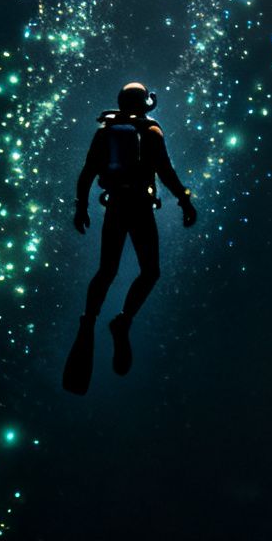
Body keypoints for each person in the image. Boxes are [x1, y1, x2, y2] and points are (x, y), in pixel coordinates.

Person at [73, 82, 197, 378]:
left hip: (115, 207)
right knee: (150, 271)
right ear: (145, 104)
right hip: (140, 208)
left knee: (107, 270)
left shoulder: (105, 132)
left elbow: (88, 172)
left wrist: (81, 207)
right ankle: (124, 320)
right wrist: (185, 200)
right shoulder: (151, 132)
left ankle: (89, 319)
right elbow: (166, 172)